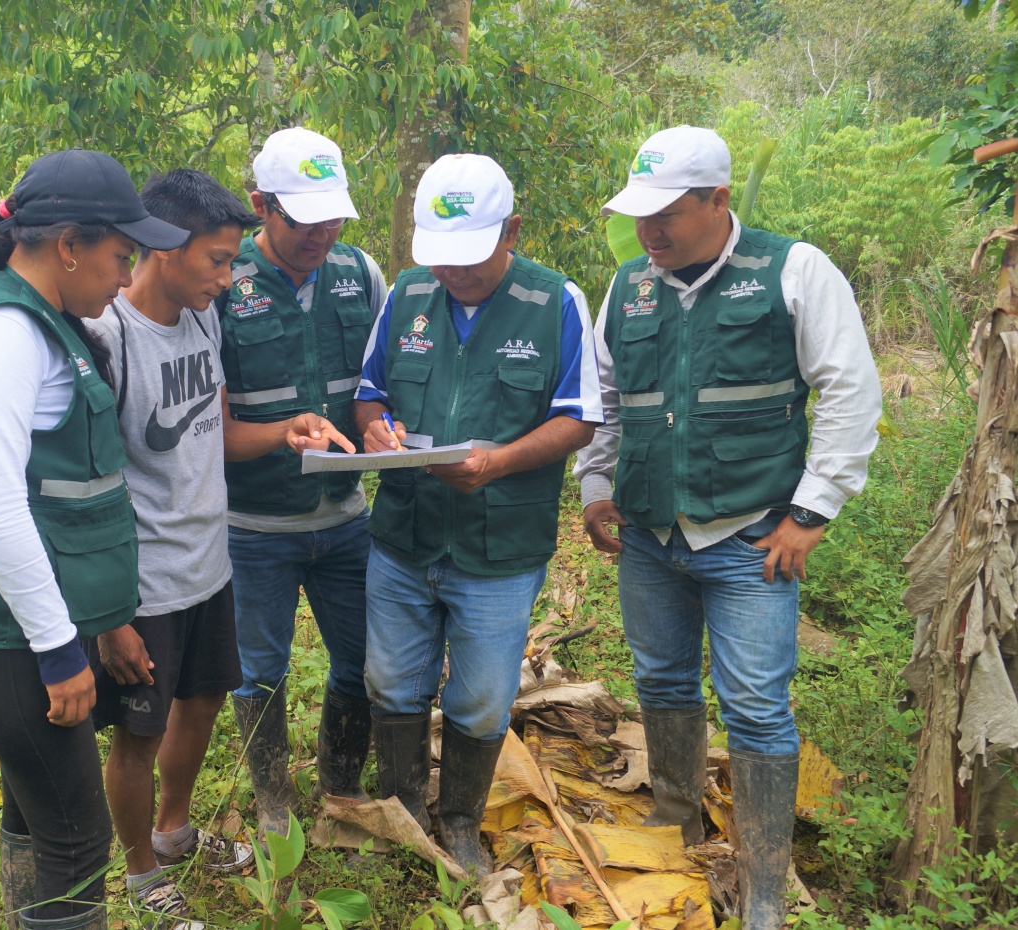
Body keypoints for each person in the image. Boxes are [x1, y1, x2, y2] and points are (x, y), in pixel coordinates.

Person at [575, 126, 882, 929]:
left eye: (668, 213)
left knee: (754, 707)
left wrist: (810, 515)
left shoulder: (793, 269)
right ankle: (674, 820)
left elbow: (850, 392)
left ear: (719, 199)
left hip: (752, 538)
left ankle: (766, 888)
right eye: (641, 216)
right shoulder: (629, 285)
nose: (651, 232)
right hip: (649, 538)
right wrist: (596, 485)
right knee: (662, 681)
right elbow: (605, 399)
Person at [0, 149, 189, 930]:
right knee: (77, 840)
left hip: (35, 627)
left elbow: (66, 497)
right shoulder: (1, 335)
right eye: (120, 256)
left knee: (35, 811)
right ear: (67, 245)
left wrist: (94, 625)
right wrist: (58, 649)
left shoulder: (46, 319)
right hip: (8, 638)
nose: (124, 276)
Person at [86, 168, 346, 924]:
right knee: (137, 733)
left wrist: (287, 429)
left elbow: (219, 432)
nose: (230, 277)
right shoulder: (110, 339)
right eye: (218, 260)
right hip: (146, 583)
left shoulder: (204, 320)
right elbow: (89, 484)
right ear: (163, 248)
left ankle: (173, 831)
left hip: (210, 563)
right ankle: (139, 874)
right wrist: (110, 613)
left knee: (197, 706)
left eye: (234, 260)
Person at [354, 153, 602, 876]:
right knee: (391, 683)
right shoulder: (405, 296)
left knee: (483, 697)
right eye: (440, 258)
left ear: (512, 231)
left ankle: (459, 820)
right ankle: (402, 817)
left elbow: (580, 417)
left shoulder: (555, 301)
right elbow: (372, 393)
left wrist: (498, 461)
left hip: (500, 545)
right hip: (404, 536)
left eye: (469, 258)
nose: (453, 274)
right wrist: (375, 428)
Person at [217, 127, 387, 838]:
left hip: (344, 519)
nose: (322, 232)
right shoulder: (223, 285)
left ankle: (341, 783)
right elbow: (211, 428)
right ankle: (273, 799)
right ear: (261, 205)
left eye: (333, 216)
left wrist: (384, 427)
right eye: (302, 218)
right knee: (258, 670)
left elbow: (380, 387)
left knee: (366, 659)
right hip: (255, 527)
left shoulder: (360, 274)